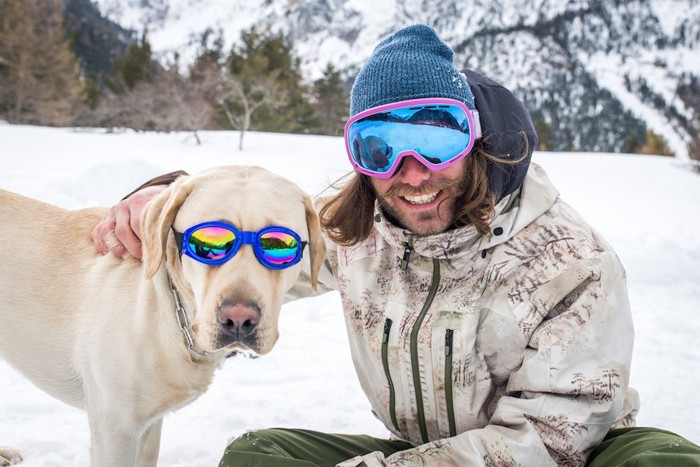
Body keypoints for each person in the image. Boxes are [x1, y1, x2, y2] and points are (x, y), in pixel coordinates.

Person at [93, 24, 700, 467]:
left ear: (474, 139)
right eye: (381, 149)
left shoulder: (568, 261)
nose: (411, 174)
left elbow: (554, 440)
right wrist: (165, 195)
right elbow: (261, 235)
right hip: (431, 454)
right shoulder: (363, 232)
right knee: (261, 456)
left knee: (666, 464)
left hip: (573, 459)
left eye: (435, 141)